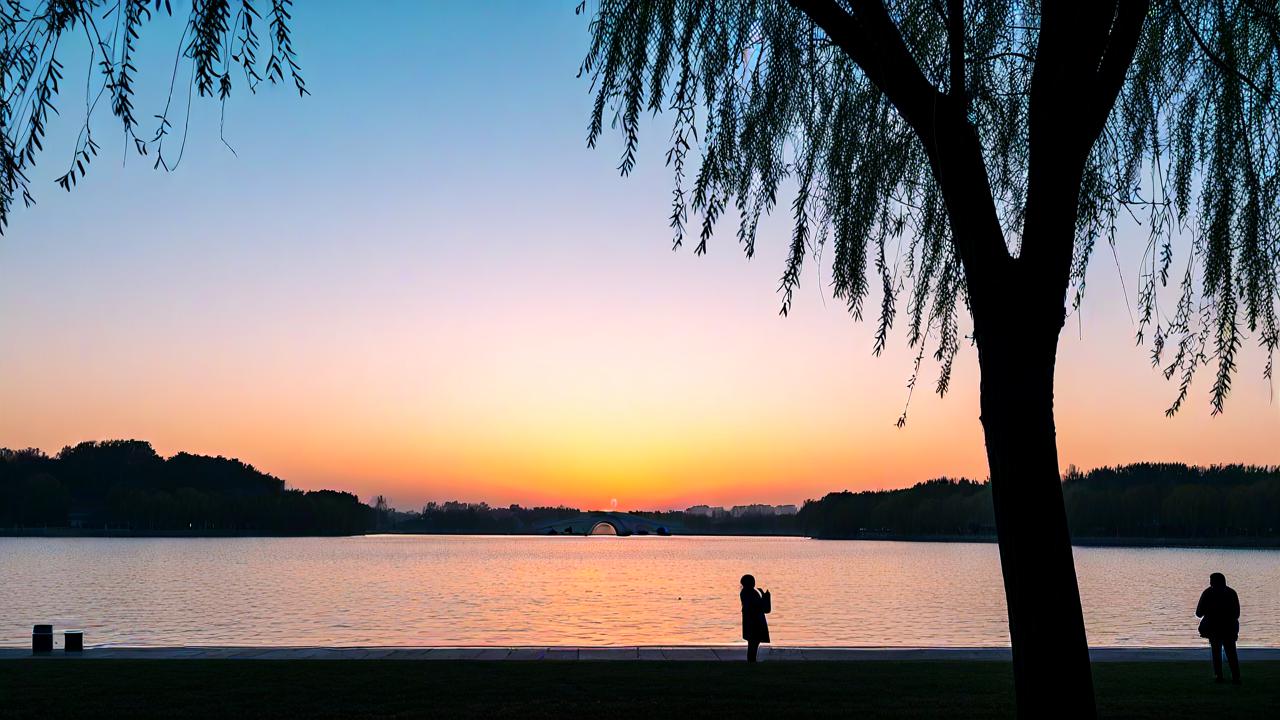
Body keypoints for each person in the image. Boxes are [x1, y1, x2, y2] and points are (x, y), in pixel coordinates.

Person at [1196, 572, 1241, 684]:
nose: (1210, 583)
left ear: (1214, 582)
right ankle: (1235, 676)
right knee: (1231, 652)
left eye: (1211, 581)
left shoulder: (1207, 593)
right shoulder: (1231, 593)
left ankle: (1218, 676)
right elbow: (1237, 614)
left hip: (1214, 628)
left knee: (1216, 652)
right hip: (1229, 628)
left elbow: (1198, 613)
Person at [740, 574, 771, 663]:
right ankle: (751, 660)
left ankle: (752, 660)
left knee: (753, 643)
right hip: (754, 622)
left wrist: (763, 596)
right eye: (752, 581)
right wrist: (765, 596)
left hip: (751, 621)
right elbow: (759, 606)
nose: (754, 583)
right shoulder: (749, 593)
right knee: (753, 643)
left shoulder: (747, 592)